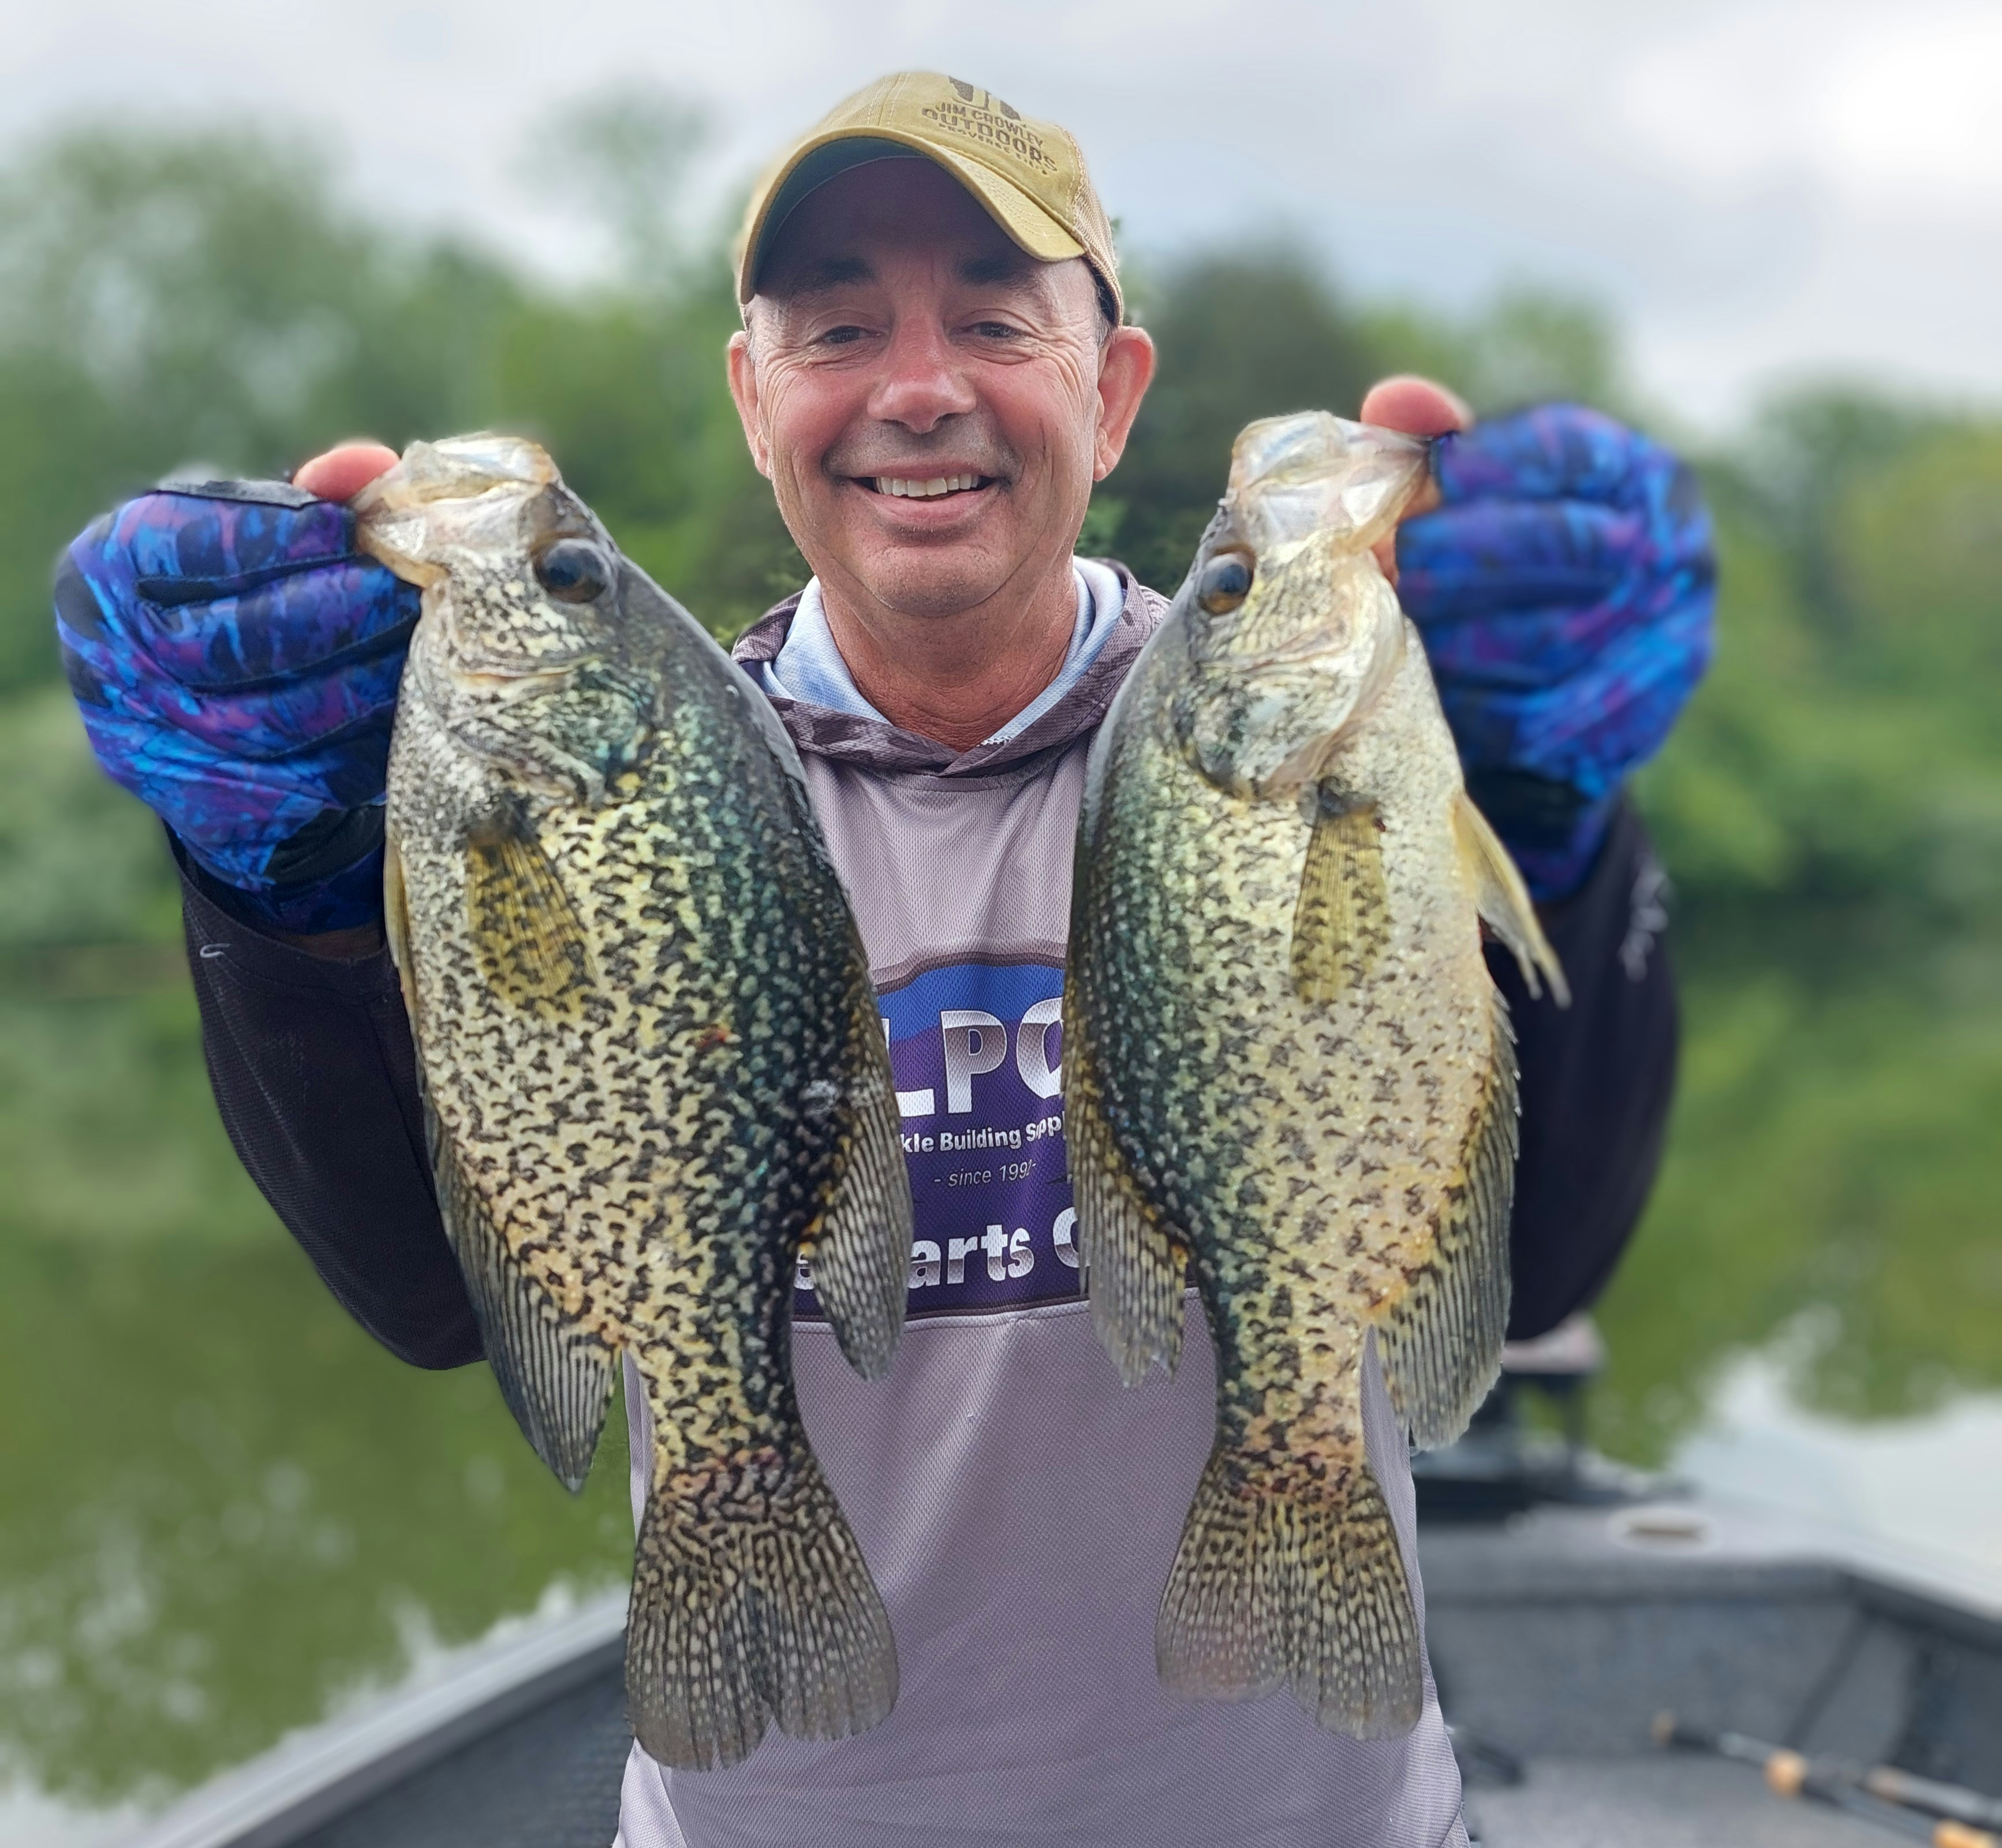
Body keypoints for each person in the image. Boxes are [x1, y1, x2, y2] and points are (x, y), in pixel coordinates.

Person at [55, 70, 1713, 1848]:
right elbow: (434, 1297)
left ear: (1113, 384)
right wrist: (281, 896)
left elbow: (1541, 1262)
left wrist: (1550, 817)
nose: (917, 390)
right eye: (837, 325)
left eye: (996, 318)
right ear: (753, 397)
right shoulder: (646, 785)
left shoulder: (1328, 735)